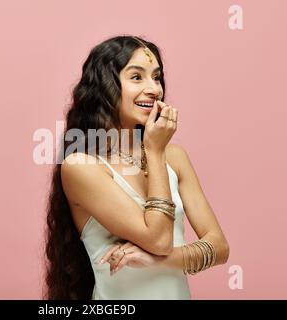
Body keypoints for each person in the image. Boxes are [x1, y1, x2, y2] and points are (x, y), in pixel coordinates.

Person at [44, 35, 230, 300]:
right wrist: (154, 153)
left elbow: (219, 247)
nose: (154, 89)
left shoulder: (175, 157)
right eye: (136, 77)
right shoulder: (81, 165)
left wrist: (159, 261)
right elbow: (158, 239)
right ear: (106, 87)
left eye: (156, 77)